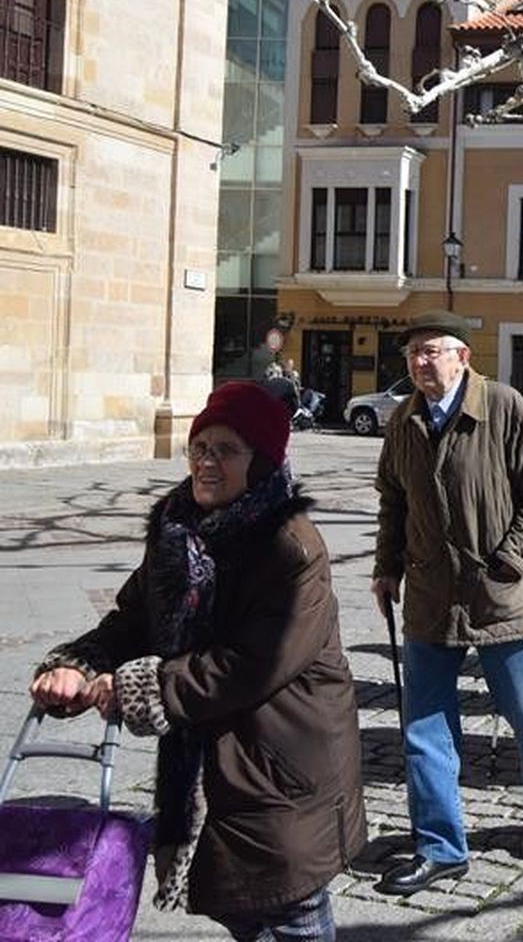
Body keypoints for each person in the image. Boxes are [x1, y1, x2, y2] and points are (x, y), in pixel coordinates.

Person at [30, 381, 365, 940]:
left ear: (262, 460)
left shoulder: (290, 545)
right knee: (240, 907)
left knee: (292, 910)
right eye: (199, 448)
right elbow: (136, 617)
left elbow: (255, 662)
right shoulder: (176, 527)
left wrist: (143, 687)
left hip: (283, 767)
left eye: (226, 450)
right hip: (215, 765)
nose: (207, 462)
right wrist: (79, 663)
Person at [371, 310, 523, 895]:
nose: (419, 361)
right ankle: (440, 847)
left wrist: (511, 560)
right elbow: (393, 500)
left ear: (463, 356)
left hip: (503, 598)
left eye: (431, 350)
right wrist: (386, 568)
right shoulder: (404, 420)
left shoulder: (504, 407)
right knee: (424, 730)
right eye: (412, 353)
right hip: (431, 597)